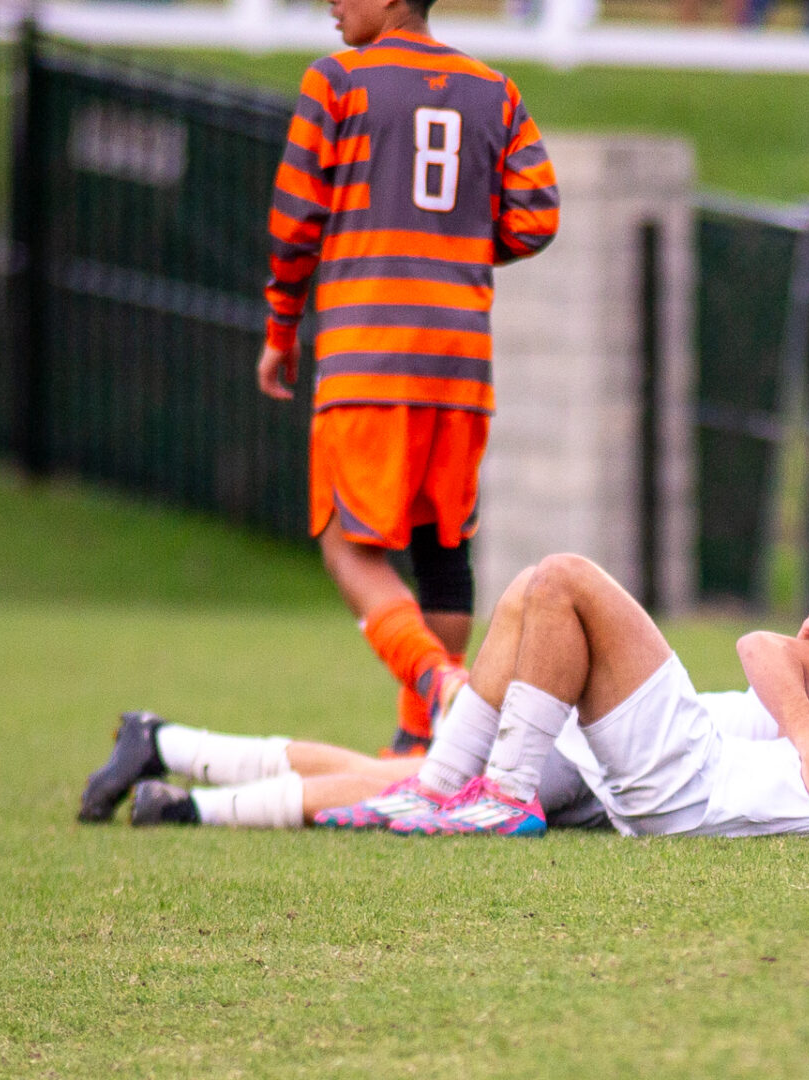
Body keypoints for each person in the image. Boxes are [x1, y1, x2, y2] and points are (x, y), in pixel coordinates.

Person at [76, 595, 809, 841]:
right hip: (675, 739)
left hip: (671, 773)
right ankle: (171, 757)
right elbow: (762, 651)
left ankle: (189, 792)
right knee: (404, 765)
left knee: (559, 586)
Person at [256, 0, 560, 756]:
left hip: (370, 353)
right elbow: (537, 215)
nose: (333, 3)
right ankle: (419, 747)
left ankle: (434, 683)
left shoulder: (336, 83)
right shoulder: (496, 90)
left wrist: (280, 328)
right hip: (459, 361)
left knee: (347, 545)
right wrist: (454, 248)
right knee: (440, 546)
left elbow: (296, 220)